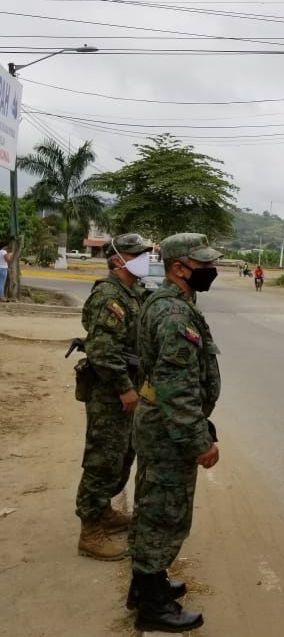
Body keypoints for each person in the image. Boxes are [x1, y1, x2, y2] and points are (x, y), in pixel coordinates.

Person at [129, 233, 223, 633]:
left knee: (153, 504)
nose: (209, 270)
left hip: (161, 421)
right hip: (169, 428)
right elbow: (176, 385)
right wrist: (199, 441)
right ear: (178, 268)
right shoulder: (173, 314)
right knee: (164, 513)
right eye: (202, 265)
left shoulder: (176, 303)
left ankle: (147, 584)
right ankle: (152, 604)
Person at [75, 233, 154, 561]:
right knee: (103, 458)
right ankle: (90, 530)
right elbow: (102, 349)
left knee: (122, 455)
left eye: (145, 253)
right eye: (137, 254)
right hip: (110, 391)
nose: (144, 259)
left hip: (127, 386)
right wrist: (124, 387)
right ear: (118, 260)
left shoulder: (131, 292)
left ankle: (104, 510)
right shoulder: (109, 295)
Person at [0, 237, 15, 301]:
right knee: (1, 283)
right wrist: (11, 255)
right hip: (3, 269)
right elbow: (8, 260)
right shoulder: (3, 252)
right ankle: (1, 297)